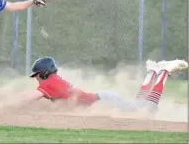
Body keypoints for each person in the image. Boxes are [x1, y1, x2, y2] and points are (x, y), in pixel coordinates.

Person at [22, 56, 188, 113]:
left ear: (44, 72)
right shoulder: (54, 81)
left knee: (148, 110)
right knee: (139, 106)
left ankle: (163, 71)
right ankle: (152, 71)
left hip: (105, 101)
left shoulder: (49, 82)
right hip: (104, 99)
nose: (36, 79)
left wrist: (7, 106)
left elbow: (30, 98)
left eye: (36, 75)